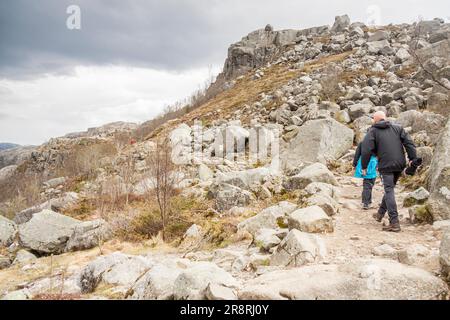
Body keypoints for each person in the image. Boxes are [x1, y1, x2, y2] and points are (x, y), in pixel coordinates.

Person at [360, 111, 417, 232]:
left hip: (385, 165)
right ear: (385, 118)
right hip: (400, 164)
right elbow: (409, 144)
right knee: (389, 188)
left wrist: (364, 166)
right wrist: (412, 159)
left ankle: (394, 222)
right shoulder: (398, 128)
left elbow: (366, 150)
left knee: (389, 190)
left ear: (375, 120)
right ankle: (380, 214)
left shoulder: (373, 131)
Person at [353, 142, 378, 210]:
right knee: (369, 183)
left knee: (368, 183)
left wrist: (354, 164)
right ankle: (366, 203)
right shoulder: (377, 142)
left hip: (364, 162)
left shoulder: (362, 143)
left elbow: (357, 154)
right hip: (372, 163)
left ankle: (367, 202)